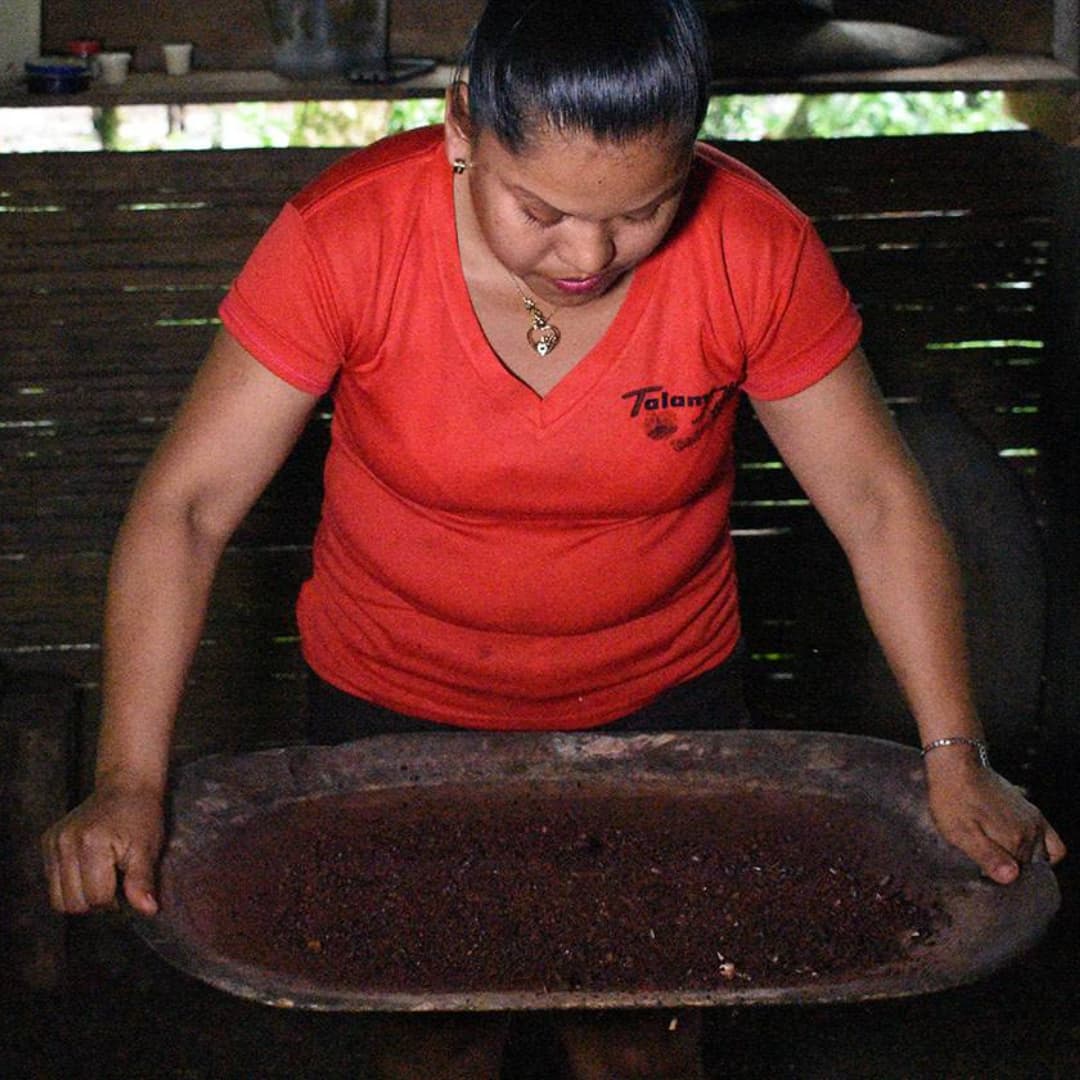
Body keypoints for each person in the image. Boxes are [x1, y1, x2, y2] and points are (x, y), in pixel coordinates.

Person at [43, 1, 1065, 1076]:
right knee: (434, 1043)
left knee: (640, 1042)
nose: (587, 254)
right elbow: (189, 507)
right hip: (390, 717)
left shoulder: (756, 247)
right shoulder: (347, 236)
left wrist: (956, 758)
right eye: (539, 209)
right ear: (461, 128)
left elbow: (876, 500)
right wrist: (129, 779)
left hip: (662, 722)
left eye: (643, 211)